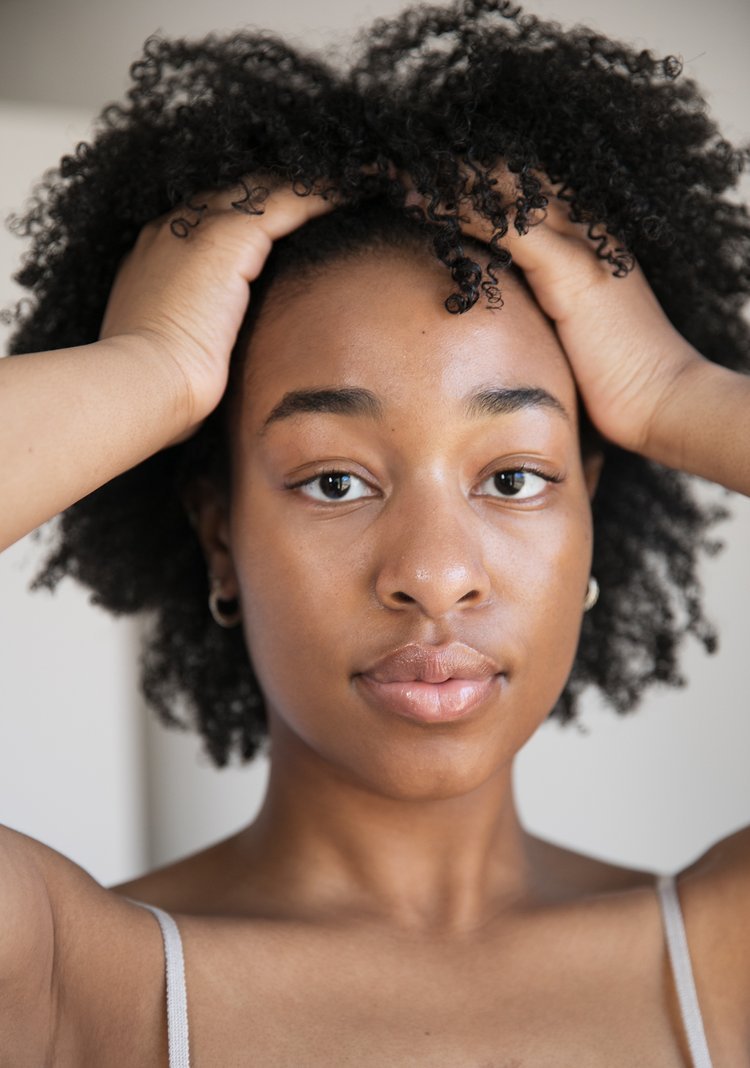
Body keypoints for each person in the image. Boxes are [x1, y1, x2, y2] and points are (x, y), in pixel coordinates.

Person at [1, 1, 749, 1063]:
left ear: (594, 508)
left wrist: (676, 391)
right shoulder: (70, 988)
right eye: (337, 483)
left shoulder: (724, 968)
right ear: (220, 533)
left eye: (516, 475)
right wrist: (150, 369)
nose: (435, 574)